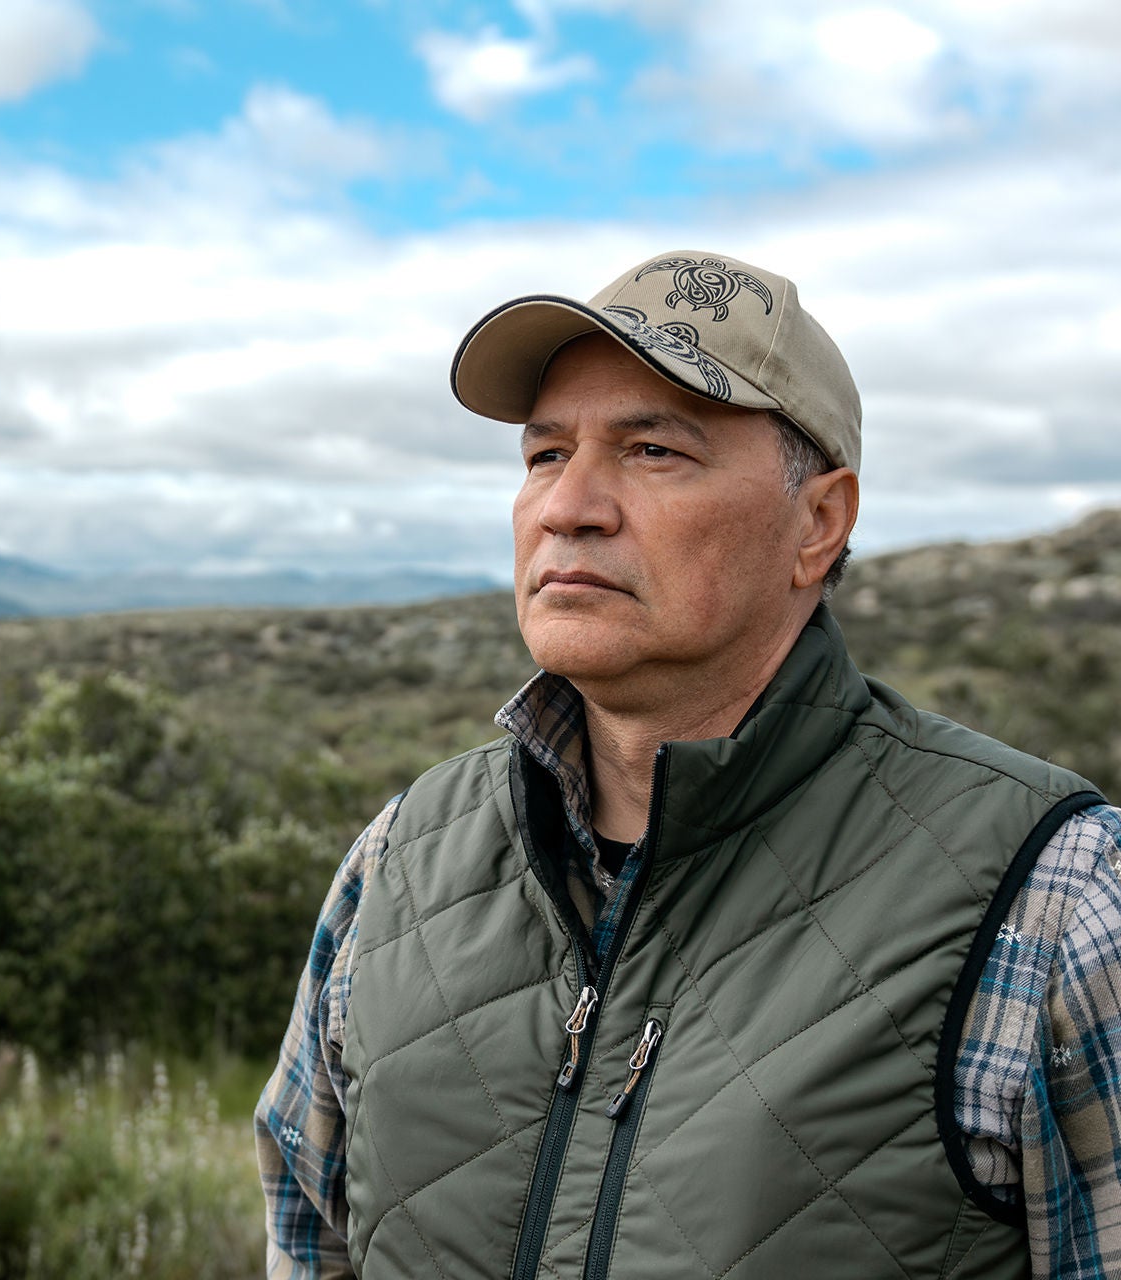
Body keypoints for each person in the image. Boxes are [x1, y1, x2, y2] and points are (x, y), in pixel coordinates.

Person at [255, 250, 1121, 1279]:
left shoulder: (1051, 897)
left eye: (652, 449)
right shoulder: (400, 856)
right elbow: (310, 1240)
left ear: (818, 522)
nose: (566, 505)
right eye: (542, 455)